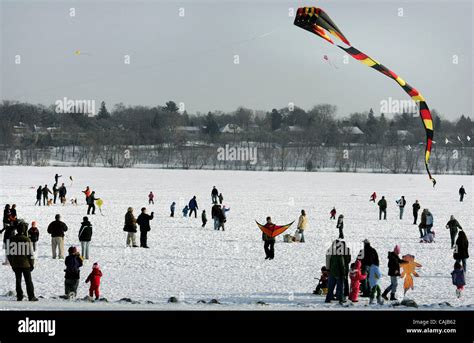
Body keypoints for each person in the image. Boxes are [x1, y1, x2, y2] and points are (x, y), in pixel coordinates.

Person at [7, 221, 38, 301]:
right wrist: (32, 264)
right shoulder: (26, 239)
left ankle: (19, 296)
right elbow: (30, 254)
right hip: (25, 264)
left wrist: (12, 263)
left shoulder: (12, 239)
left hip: (16, 264)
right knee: (28, 281)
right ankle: (31, 296)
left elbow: (9, 253)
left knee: (18, 280)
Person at [325, 239, 346, 304]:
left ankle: (328, 299)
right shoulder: (340, 255)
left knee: (331, 287)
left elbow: (328, 261)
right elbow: (342, 265)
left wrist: (328, 269)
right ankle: (341, 299)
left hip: (331, 272)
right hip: (338, 273)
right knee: (340, 287)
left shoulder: (331, 252)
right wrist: (344, 273)